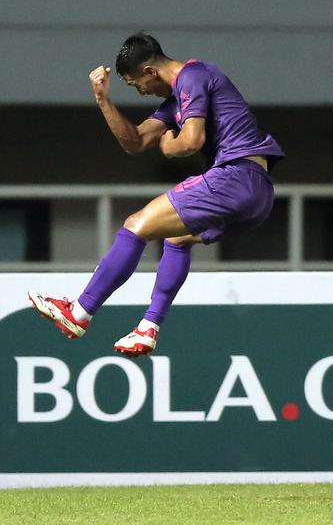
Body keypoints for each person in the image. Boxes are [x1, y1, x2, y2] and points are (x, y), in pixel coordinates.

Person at [28, 34, 284, 357]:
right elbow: (134, 141)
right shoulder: (178, 101)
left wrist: (169, 147)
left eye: (137, 85)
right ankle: (148, 327)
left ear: (150, 72)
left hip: (236, 176)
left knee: (136, 224)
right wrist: (103, 100)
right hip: (258, 195)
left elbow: (190, 141)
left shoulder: (192, 76)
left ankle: (79, 312)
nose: (142, 92)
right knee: (176, 238)